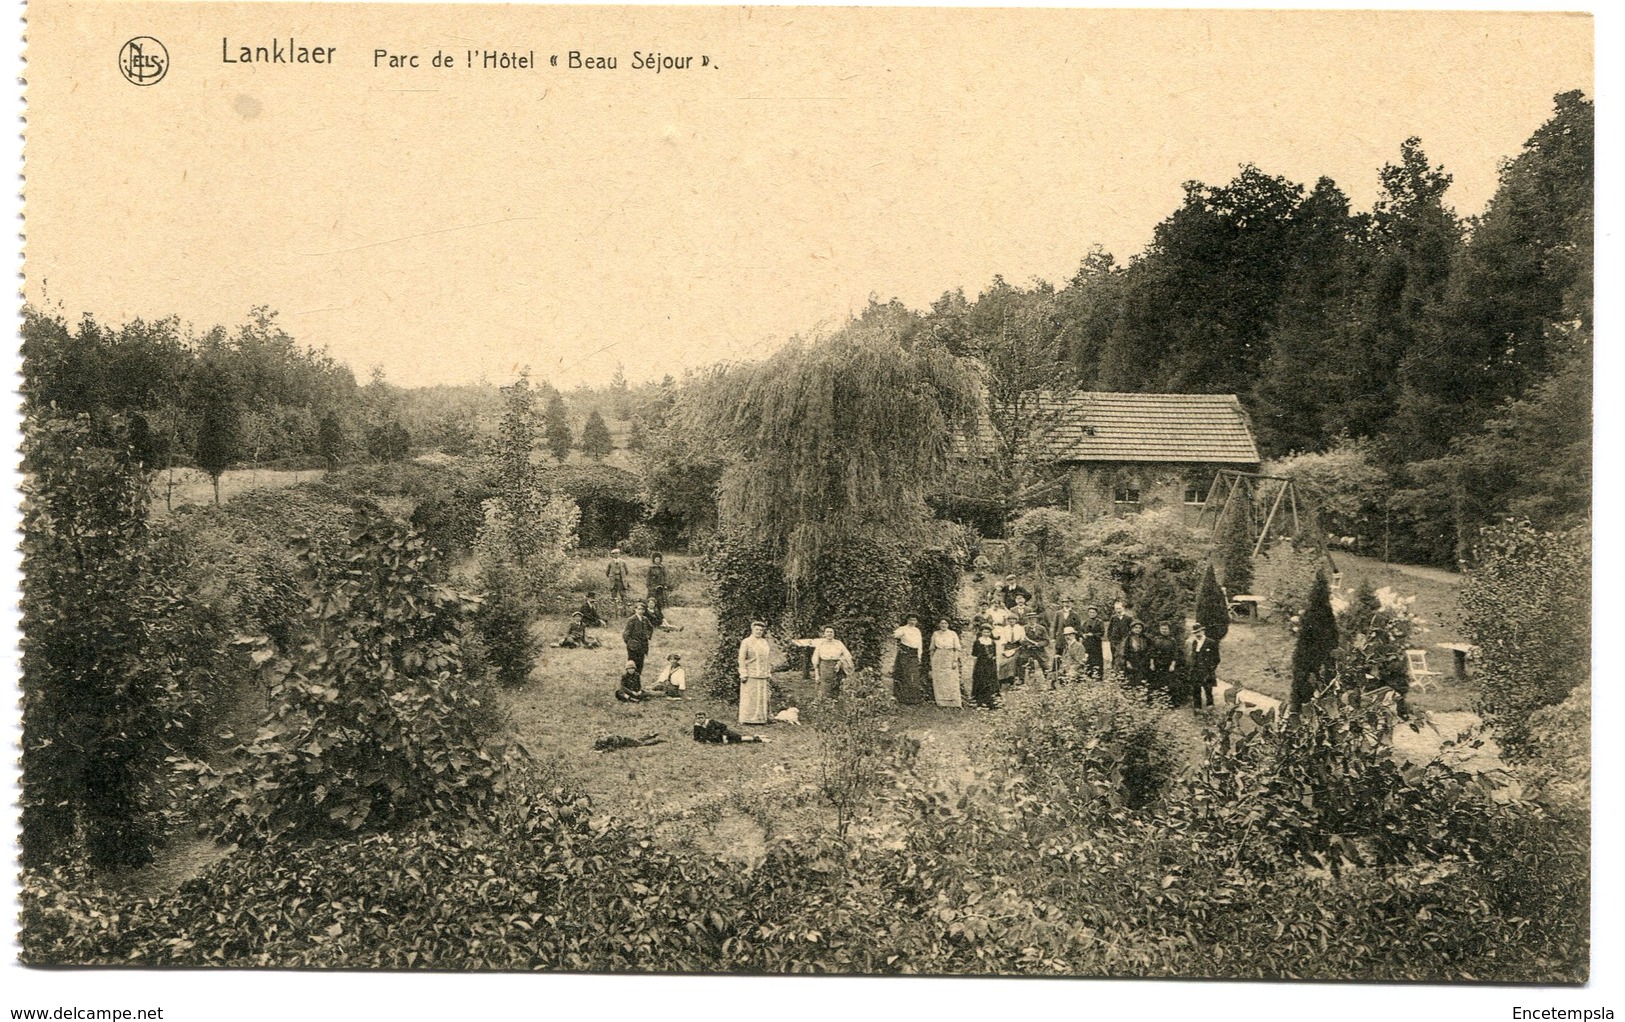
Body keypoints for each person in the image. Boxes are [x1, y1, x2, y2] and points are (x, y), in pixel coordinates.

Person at [792, 625, 855, 700]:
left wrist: (840, 663)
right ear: (824, 634)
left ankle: (837, 704)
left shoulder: (838, 643)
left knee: (838, 685)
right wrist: (816, 673)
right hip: (825, 666)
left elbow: (847, 655)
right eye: (827, 632)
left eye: (831, 632)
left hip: (838, 667)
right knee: (825, 686)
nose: (829, 633)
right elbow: (816, 658)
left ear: (834, 633)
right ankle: (825, 703)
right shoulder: (821, 644)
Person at [736, 620, 773, 725]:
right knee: (749, 697)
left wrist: (768, 672)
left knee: (761, 697)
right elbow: (741, 659)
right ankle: (747, 719)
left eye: (761, 630)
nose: (759, 632)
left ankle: (761, 719)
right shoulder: (746, 642)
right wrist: (743, 673)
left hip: (762, 674)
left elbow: (767, 658)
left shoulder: (764, 642)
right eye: (757, 629)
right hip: (750, 674)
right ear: (752, 630)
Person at [892, 614, 927, 704]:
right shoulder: (903, 629)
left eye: (914, 620)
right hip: (905, 652)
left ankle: (914, 699)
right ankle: (902, 698)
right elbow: (895, 635)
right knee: (904, 673)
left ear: (917, 621)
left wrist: (919, 656)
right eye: (911, 620)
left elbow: (919, 644)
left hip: (914, 653)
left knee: (914, 675)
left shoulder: (917, 631)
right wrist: (899, 633)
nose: (912, 622)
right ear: (907, 620)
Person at [929, 618, 963, 708]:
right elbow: (932, 648)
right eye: (942, 623)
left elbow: (957, 649)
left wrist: (955, 660)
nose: (943, 625)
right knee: (939, 679)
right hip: (938, 656)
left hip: (950, 656)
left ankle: (954, 702)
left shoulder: (953, 634)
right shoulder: (935, 634)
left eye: (945, 623)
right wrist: (932, 661)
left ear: (948, 625)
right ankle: (941, 702)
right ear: (939, 624)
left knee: (951, 679)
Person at [1187, 622, 1221, 713]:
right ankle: (1197, 707)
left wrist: (1211, 669)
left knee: (1208, 688)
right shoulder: (1194, 643)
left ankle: (1210, 706)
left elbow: (1216, 658)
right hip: (1196, 669)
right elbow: (1194, 656)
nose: (1198, 634)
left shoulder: (1211, 642)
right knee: (1196, 688)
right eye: (1195, 632)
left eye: (1199, 631)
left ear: (1203, 631)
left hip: (1207, 670)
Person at [1148, 621, 1183, 704]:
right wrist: (1152, 664)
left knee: (1169, 683)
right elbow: (1152, 653)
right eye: (1162, 629)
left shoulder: (1172, 640)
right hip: (1157, 665)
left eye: (1166, 629)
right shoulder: (1155, 640)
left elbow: (1175, 654)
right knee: (1156, 683)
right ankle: (1156, 701)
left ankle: (1169, 702)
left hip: (1167, 665)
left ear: (1169, 630)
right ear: (1159, 629)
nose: (1164, 630)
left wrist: (1172, 665)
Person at [970, 624, 1001, 709]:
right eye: (984, 632)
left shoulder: (992, 642)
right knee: (981, 679)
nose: (986, 634)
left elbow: (994, 655)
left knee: (990, 680)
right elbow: (974, 655)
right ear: (981, 632)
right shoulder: (977, 642)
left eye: (988, 632)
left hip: (990, 664)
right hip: (981, 664)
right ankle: (980, 700)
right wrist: (974, 666)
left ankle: (990, 700)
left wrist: (994, 666)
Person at [693, 712, 768, 745]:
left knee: (741, 738)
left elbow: (723, 727)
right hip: (717, 740)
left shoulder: (711, 722)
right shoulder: (697, 726)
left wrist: (724, 737)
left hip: (724, 735)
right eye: (698, 718)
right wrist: (706, 740)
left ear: (705, 718)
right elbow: (696, 737)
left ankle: (760, 740)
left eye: (701, 718)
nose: (700, 720)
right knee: (738, 741)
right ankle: (757, 736)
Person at [623, 603, 655, 676]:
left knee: (640, 662)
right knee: (632, 663)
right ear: (635, 610)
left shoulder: (645, 619)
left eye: (643, 609)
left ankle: (638, 677)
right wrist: (630, 643)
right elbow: (626, 634)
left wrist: (648, 636)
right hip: (633, 646)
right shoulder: (631, 620)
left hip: (643, 645)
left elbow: (651, 628)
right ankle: (630, 678)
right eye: (639, 609)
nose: (641, 611)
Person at [1120, 620, 1152, 691]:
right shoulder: (1128, 639)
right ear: (1132, 629)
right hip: (1132, 659)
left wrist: (1147, 658)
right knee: (1131, 677)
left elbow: (1150, 649)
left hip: (1143, 659)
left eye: (1139, 628)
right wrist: (1127, 662)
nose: (1138, 629)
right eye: (1136, 627)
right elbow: (1125, 651)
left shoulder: (1146, 638)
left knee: (1142, 677)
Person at [1079, 606, 1106, 680]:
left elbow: (1102, 632)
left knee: (1097, 659)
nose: (1092, 614)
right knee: (1088, 658)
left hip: (1096, 643)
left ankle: (1098, 675)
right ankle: (1088, 674)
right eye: (1090, 612)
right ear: (1088, 613)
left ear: (1096, 613)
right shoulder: (1086, 621)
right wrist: (1083, 635)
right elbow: (1081, 630)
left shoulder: (1099, 622)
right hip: (1087, 643)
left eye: (1093, 612)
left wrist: (1093, 635)